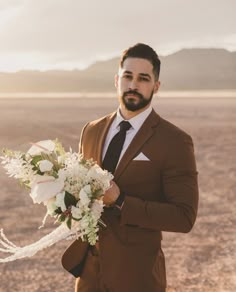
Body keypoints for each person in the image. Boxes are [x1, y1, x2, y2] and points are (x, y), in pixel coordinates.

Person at [61, 43, 199, 292]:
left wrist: (121, 201)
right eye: (128, 76)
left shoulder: (174, 141)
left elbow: (184, 217)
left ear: (156, 86)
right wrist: (67, 203)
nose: (133, 85)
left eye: (143, 78)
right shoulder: (91, 130)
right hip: (89, 274)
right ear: (117, 80)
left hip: (138, 276)